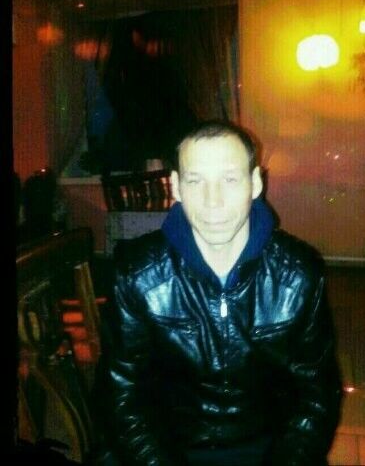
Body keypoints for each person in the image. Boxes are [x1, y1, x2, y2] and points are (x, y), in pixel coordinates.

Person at [102, 120, 342, 466]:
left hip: (271, 447)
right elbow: (120, 394)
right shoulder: (137, 274)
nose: (212, 202)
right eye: (195, 181)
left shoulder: (300, 274)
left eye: (229, 179)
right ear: (176, 187)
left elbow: (317, 395)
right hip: (164, 446)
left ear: (256, 183)